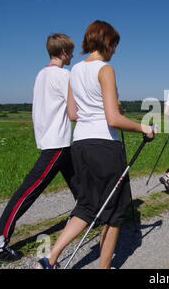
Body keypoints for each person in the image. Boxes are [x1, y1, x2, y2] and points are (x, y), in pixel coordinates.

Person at [34, 20, 155, 269]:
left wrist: (108, 107)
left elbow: (74, 114)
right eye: (115, 45)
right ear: (107, 42)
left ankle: (49, 259)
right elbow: (113, 119)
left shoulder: (74, 70)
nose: (115, 51)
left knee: (87, 205)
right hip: (104, 146)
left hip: (80, 145)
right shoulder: (106, 69)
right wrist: (143, 127)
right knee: (114, 211)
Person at [0, 34, 80, 263]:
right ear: (64, 52)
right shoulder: (65, 75)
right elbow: (75, 111)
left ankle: (90, 214)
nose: (72, 56)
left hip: (53, 141)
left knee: (78, 181)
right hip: (56, 144)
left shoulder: (41, 74)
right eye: (71, 52)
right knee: (27, 191)